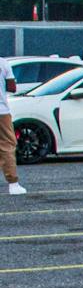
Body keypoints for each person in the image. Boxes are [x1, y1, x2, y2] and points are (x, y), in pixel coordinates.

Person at [0, 57, 25, 196]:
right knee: (7, 145)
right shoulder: (3, 63)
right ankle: (13, 183)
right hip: (2, 111)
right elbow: (12, 88)